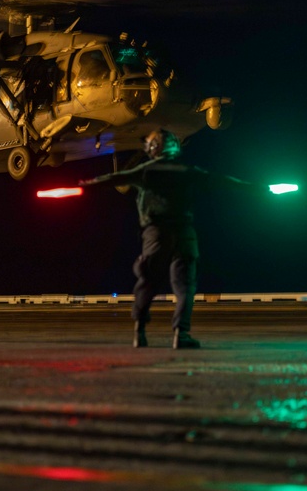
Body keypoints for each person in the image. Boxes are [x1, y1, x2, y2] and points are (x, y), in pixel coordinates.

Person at [80, 129, 250, 349]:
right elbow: (224, 181)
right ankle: (181, 334)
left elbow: (115, 178)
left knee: (147, 282)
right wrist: (258, 189)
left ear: (152, 148)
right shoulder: (187, 170)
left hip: (156, 233)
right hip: (184, 233)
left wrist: (86, 184)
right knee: (185, 286)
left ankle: (139, 332)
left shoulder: (146, 171)